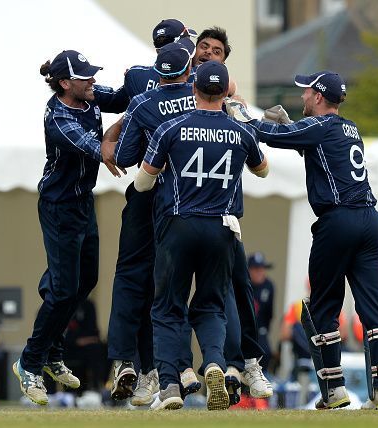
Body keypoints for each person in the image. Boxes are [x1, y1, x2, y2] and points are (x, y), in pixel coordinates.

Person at [229, 70, 378, 409]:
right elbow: (322, 157)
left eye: (306, 92)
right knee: (376, 308)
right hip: (369, 221)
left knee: (323, 305)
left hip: (337, 221)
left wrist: (239, 112)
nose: (302, 96)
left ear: (319, 97)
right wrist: (291, 127)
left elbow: (266, 134)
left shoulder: (318, 126)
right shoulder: (351, 130)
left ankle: (334, 391)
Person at [134, 60, 269, 410]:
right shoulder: (241, 132)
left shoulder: (172, 127)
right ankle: (214, 363)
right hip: (222, 228)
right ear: (225, 93)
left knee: (167, 308)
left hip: (180, 225)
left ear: (194, 89)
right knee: (211, 306)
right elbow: (263, 170)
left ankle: (170, 386)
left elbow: (143, 182)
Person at [12, 50, 129, 406]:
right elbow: (93, 146)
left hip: (82, 203)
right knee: (63, 290)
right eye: (84, 77)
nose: (92, 81)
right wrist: (118, 142)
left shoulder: (88, 95)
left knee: (85, 280)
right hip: (59, 207)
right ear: (65, 83)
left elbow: (124, 96)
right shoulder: (59, 116)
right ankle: (30, 362)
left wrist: (151, 81)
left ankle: (52, 350)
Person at [103, 38, 198, 406]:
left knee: (129, 275)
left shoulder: (143, 97)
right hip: (189, 200)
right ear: (189, 68)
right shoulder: (203, 94)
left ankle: (127, 360)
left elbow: (125, 156)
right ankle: (174, 368)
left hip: (147, 194)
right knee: (172, 285)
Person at [63, 299, 108, 393]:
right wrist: (76, 340)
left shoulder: (88, 305)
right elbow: (65, 333)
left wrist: (85, 340)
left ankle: (98, 386)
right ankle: (57, 392)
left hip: (88, 346)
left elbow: (94, 331)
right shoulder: (64, 303)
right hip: (68, 347)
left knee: (102, 350)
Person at [248, 252, 275, 371]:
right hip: (242, 328)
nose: (260, 272)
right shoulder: (242, 284)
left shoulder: (269, 286)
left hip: (260, 329)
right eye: (256, 269)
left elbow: (269, 314)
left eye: (262, 269)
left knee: (266, 352)